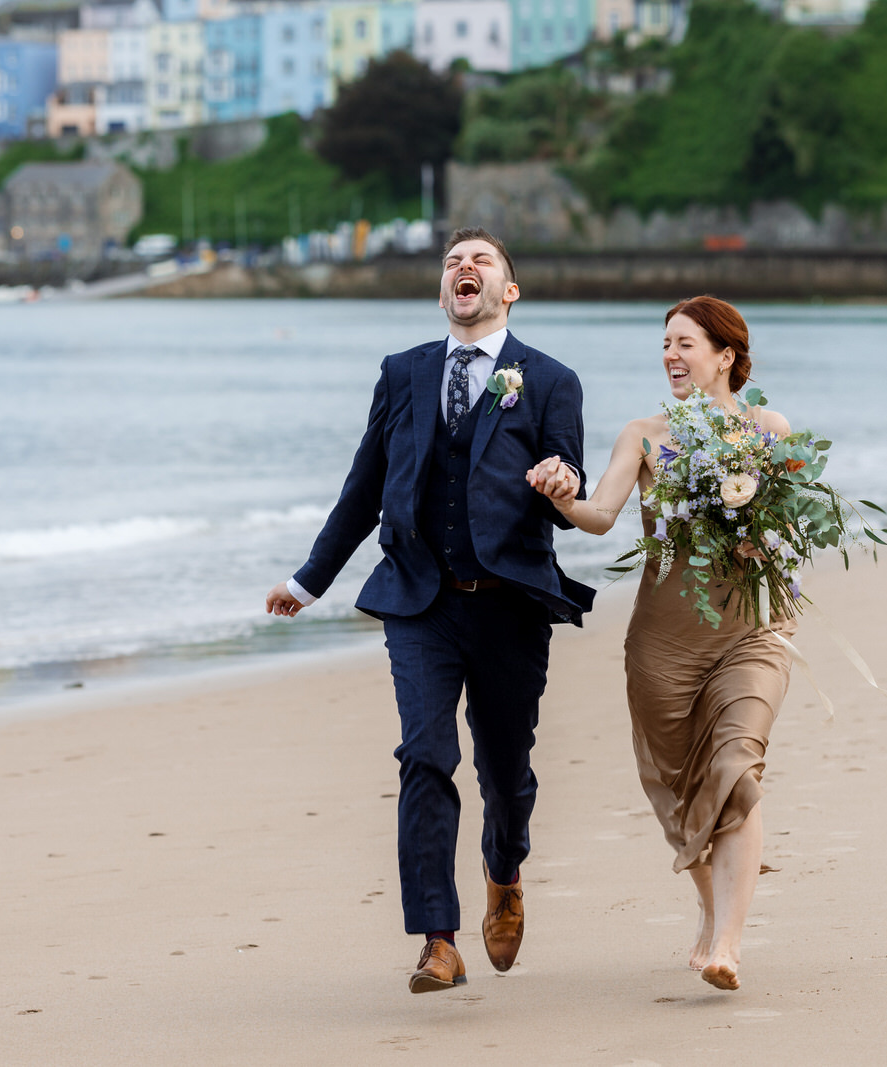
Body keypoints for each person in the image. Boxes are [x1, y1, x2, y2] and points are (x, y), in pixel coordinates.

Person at [266, 228, 593, 994]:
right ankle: (438, 940)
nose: (464, 269)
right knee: (424, 755)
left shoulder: (550, 379)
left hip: (510, 603)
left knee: (505, 771)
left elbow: (569, 466)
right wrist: (310, 579)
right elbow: (364, 485)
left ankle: (504, 867)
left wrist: (560, 475)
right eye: (453, 262)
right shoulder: (403, 373)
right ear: (443, 290)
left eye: (481, 261)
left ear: (509, 290)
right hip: (419, 600)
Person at [526, 296, 793, 992]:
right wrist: (559, 496)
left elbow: (788, 529)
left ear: (726, 355)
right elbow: (601, 514)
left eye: (685, 343)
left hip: (750, 628)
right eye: (665, 343)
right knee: (679, 788)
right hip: (662, 643)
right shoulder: (643, 435)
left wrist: (760, 530)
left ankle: (729, 943)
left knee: (736, 766)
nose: (671, 355)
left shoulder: (768, 430)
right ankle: (709, 911)